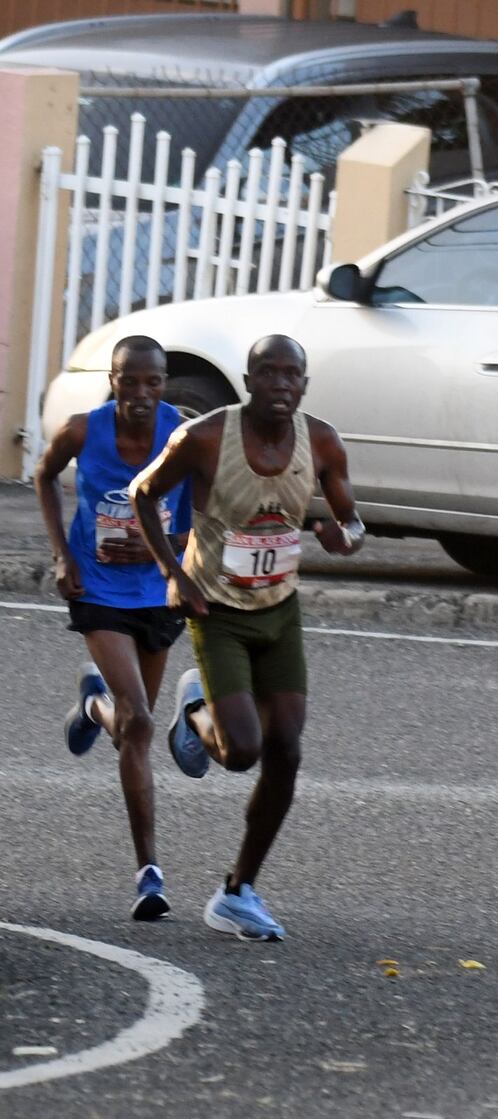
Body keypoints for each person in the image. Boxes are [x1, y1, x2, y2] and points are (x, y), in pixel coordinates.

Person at [130, 333, 364, 942]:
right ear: (250, 378)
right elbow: (143, 495)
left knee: (287, 749)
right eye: (270, 374)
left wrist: (345, 535)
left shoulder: (322, 441)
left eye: (294, 376)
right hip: (217, 609)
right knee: (243, 752)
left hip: (279, 610)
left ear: (305, 386)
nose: (282, 386)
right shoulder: (203, 438)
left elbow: (352, 519)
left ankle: (237, 891)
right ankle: (195, 710)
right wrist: (173, 575)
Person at [35, 335, 192, 920]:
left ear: (163, 384)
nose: (142, 395)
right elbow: (43, 476)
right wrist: (60, 554)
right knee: (144, 722)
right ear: (115, 379)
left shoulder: (183, 433)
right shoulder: (83, 430)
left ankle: (94, 705)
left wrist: (164, 550)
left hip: (158, 592)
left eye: (154, 383)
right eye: (131, 381)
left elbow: (201, 514)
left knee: (131, 731)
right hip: (97, 591)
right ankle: (149, 873)